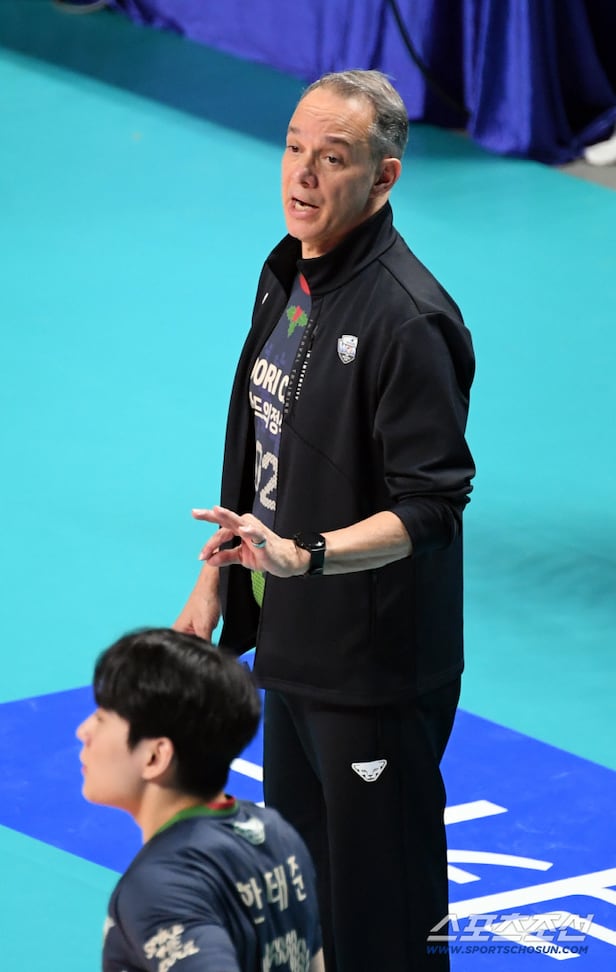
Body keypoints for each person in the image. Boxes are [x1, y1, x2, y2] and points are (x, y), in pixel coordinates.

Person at [175, 69, 475, 971]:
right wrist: (216, 580)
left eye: (333, 158)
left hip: (373, 671)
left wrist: (306, 555)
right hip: (293, 648)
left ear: (383, 178)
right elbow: (258, 435)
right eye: (294, 147)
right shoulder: (288, 274)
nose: (302, 174)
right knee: (308, 901)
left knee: (385, 918)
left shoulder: (411, 321)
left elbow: (433, 504)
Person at [77, 627, 324, 972]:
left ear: (155, 757)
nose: (83, 731)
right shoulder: (276, 833)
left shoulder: (160, 889)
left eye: (102, 718)